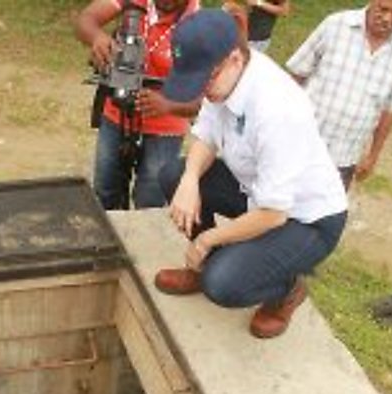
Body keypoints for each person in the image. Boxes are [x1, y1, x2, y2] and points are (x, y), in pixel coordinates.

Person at [154, 9, 348, 339]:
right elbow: (207, 134)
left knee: (224, 285)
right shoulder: (225, 79)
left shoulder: (277, 109)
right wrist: (189, 181)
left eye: (205, 81)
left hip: (305, 219)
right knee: (174, 174)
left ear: (233, 59)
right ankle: (205, 267)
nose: (201, 92)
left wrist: (206, 239)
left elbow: (273, 214)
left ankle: (285, 291)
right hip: (255, 190)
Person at [75, 0, 200, 210]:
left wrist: (169, 105)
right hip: (116, 114)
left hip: (165, 129)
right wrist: (97, 37)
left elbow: (204, 101)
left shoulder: (200, 27)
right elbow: (85, 20)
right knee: (105, 191)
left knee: (150, 200)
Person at [286, 0, 392, 190]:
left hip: (344, 159)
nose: (388, 18)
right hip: (298, 143)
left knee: (322, 218)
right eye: (383, 9)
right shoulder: (336, 25)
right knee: (272, 209)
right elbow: (296, 75)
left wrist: (373, 156)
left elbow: (390, 110)